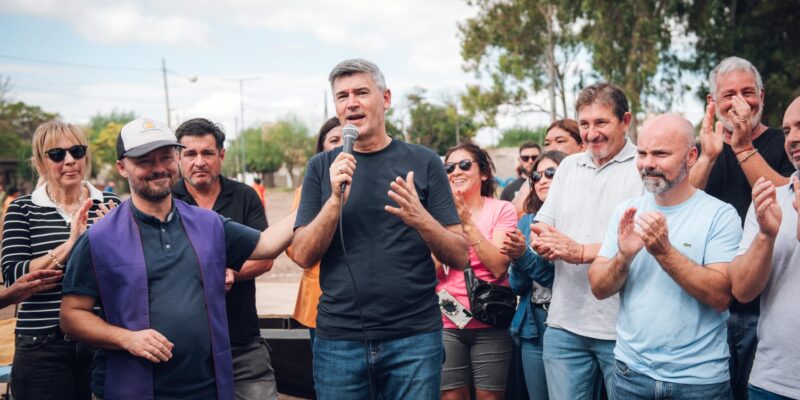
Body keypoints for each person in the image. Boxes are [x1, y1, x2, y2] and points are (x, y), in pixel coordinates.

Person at [59, 117, 296, 400]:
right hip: (128, 390)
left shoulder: (208, 224)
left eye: (165, 157)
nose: (159, 168)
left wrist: (315, 193)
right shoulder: (99, 238)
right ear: (122, 167)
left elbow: (267, 245)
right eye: (145, 161)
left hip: (205, 389)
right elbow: (71, 316)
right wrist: (126, 338)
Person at [291, 59, 468, 399]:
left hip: (414, 338)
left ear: (385, 99)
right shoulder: (321, 168)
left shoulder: (425, 161)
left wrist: (420, 217)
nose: (351, 102)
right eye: (342, 96)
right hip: (339, 341)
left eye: (361, 92)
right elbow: (302, 254)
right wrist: (334, 201)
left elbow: (459, 256)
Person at [589, 114, 742, 399]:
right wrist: (623, 257)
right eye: (643, 153)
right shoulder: (627, 211)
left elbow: (722, 296)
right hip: (631, 374)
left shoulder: (720, 215)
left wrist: (665, 252)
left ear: (691, 156)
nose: (648, 163)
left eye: (660, 153)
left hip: (699, 381)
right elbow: (598, 287)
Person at [688, 57, 795, 400]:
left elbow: (787, 195)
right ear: (713, 103)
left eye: (747, 92)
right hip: (711, 302)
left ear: (762, 96)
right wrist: (707, 157)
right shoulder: (705, 147)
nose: (738, 103)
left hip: (763, 307)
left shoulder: (785, 142)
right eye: (728, 95)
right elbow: (683, 203)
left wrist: (744, 147)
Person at [531, 83, 643, 400]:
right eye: (584, 124)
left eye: (601, 122)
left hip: (622, 326)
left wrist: (580, 252)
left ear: (625, 121)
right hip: (564, 322)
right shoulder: (567, 166)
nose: (591, 133)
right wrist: (541, 240)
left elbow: (645, 239)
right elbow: (543, 222)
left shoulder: (642, 167)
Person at [1, 121, 119, 400]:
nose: (69, 161)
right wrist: (71, 243)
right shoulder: (23, 208)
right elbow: (13, 274)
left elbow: (127, 274)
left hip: (100, 337)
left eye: (77, 151)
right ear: (40, 163)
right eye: (57, 154)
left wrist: (114, 242)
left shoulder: (110, 205)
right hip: (40, 342)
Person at [171, 117, 278, 400]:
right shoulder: (166, 200)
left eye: (207, 153)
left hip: (242, 340)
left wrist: (232, 272)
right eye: (190, 154)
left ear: (222, 155)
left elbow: (265, 257)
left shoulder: (245, 196)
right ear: (178, 158)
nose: (199, 161)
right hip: (183, 345)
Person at [728, 96, 800, 400]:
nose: (793, 138)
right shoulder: (772, 200)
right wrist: (766, 237)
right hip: (772, 381)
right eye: (786, 131)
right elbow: (742, 291)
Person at [436, 143, 517, 400]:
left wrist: (467, 223)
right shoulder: (436, 214)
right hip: (446, 321)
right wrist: (444, 224)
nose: (456, 171)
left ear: (483, 173)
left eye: (464, 164)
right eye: (449, 167)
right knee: (451, 397)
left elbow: (498, 266)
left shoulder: (502, 209)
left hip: (490, 320)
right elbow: (430, 268)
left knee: (490, 398)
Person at [502, 150, 566, 400]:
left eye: (551, 172)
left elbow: (557, 280)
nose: (543, 179)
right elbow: (517, 286)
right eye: (537, 176)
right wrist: (518, 258)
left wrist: (523, 256)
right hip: (533, 326)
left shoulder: (577, 220)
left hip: (567, 326)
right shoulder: (527, 222)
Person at [287, 116, 343, 343]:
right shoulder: (306, 191)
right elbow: (294, 249)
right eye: (334, 140)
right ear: (322, 148)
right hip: (321, 299)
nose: (342, 145)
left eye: (348, 139)